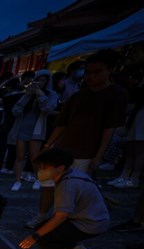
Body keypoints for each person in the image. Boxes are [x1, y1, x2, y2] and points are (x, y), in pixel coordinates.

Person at [38, 51, 128, 226]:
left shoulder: (116, 94)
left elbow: (109, 128)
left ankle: (66, 222)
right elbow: (62, 123)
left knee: (74, 189)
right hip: (62, 147)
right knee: (48, 184)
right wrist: (49, 144)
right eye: (88, 72)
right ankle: (42, 216)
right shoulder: (79, 95)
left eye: (97, 72)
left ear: (109, 70)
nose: (91, 76)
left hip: (86, 151)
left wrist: (98, 156)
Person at [19, 148, 110, 249]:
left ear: (60, 168)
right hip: (95, 217)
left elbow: (60, 217)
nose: (40, 171)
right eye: (40, 167)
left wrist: (35, 237)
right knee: (42, 226)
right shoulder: (72, 174)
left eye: (45, 168)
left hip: (89, 223)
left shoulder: (67, 186)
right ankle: (76, 248)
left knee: (44, 235)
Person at [9, 70, 59, 192]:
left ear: (47, 81)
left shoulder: (51, 94)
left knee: (35, 157)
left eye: (42, 80)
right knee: (20, 156)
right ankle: (17, 181)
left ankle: (38, 179)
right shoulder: (27, 93)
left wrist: (39, 93)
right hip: (22, 126)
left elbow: (48, 108)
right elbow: (15, 110)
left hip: (37, 127)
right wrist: (28, 95)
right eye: (38, 80)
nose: (39, 83)